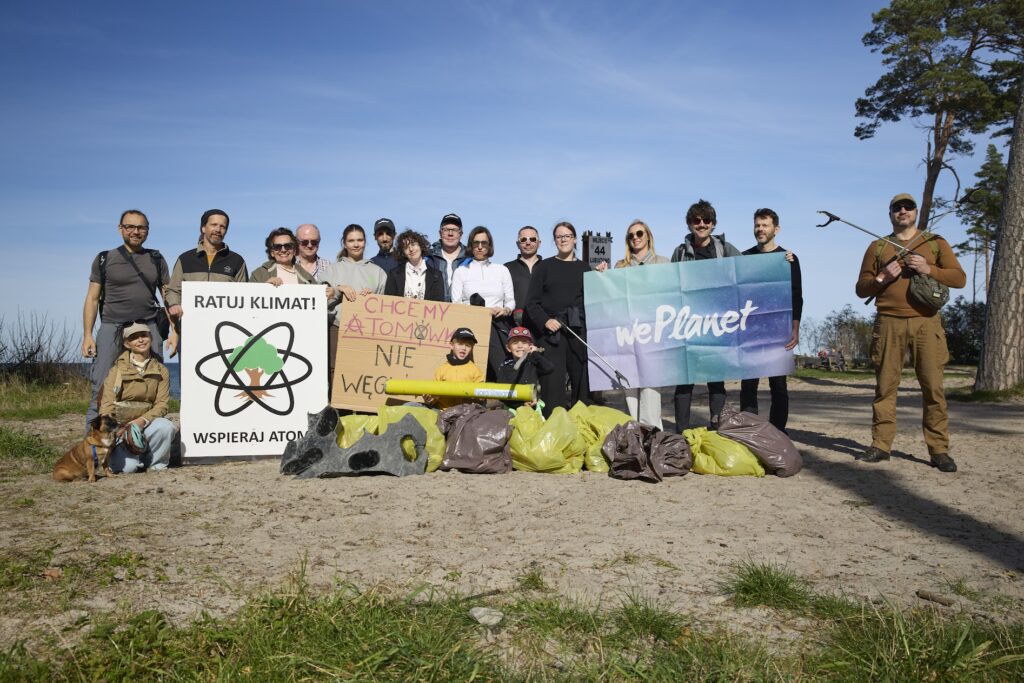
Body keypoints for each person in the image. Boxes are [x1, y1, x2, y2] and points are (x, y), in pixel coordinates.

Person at [855, 192, 966, 472]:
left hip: (927, 322)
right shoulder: (878, 247)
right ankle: (881, 446)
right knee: (885, 388)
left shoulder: (934, 243)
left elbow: (959, 278)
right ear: (890, 214)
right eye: (896, 208)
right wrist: (883, 277)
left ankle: (939, 450)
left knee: (933, 389)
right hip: (888, 321)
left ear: (915, 212)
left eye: (908, 207)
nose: (902, 211)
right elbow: (861, 289)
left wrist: (928, 268)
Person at [81, 209, 175, 429]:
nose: (135, 231)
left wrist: (174, 331)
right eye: (130, 227)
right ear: (120, 228)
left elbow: (168, 297)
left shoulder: (156, 258)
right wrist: (87, 335)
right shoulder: (105, 258)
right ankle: (93, 445)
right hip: (112, 325)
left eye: (141, 227)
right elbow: (92, 298)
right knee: (102, 384)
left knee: (153, 382)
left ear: (147, 230)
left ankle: (146, 440)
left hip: (148, 324)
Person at [670, 199, 741, 431]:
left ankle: (716, 426)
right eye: (696, 220)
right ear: (689, 224)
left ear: (713, 223)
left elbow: (752, 269)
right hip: (687, 324)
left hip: (716, 324)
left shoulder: (725, 249)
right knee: (684, 381)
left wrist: (782, 260)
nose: (701, 224)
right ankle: (681, 430)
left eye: (706, 220)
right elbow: (669, 286)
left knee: (716, 381)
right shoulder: (680, 252)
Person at [739, 208, 803, 432]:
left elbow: (796, 295)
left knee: (778, 384)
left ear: (776, 229)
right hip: (751, 330)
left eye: (765, 225)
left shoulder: (788, 259)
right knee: (749, 384)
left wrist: (795, 326)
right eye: (757, 225)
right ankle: (749, 430)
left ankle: (778, 431)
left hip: (778, 329)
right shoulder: (744, 258)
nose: (760, 229)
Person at [525, 221, 592, 417]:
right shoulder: (544, 267)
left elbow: (593, 298)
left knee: (581, 380)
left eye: (567, 236)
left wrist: (601, 276)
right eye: (559, 237)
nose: (563, 240)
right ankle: (553, 424)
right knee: (552, 383)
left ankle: (581, 423)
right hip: (551, 332)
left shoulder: (585, 268)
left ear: (574, 239)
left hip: (577, 330)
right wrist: (545, 321)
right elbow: (532, 303)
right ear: (555, 241)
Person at [98, 322, 177, 473]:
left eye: (144, 335)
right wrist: (116, 430)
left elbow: (162, 405)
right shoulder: (116, 370)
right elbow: (106, 405)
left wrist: (141, 421)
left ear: (150, 338)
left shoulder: (162, 371)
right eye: (134, 337)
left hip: (147, 424)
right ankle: (132, 459)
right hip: (121, 430)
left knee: (166, 427)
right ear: (127, 344)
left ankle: (156, 464)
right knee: (128, 469)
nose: (140, 340)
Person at [613, 220, 669, 429]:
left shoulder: (663, 263)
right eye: (631, 235)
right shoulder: (620, 266)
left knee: (651, 388)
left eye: (639, 233)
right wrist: (602, 275)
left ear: (648, 236)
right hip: (628, 333)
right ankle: (634, 432)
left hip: (654, 334)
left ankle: (653, 432)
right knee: (630, 386)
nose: (635, 237)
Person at [320, 224, 387, 391]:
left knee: (364, 371)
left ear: (365, 242)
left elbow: (386, 304)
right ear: (344, 243)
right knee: (336, 370)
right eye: (351, 241)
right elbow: (318, 299)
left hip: (367, 331)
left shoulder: (377, 272)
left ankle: (363, 413)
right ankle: (337, 413)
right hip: (338, 327)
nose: (356, 244)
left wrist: (373, 300)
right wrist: (338, 290)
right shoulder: (332, 270)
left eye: (360, 240)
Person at [451, 226, 516, 381]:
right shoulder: (461, 271)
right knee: (472, 369)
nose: (480, 247)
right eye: (476, 243)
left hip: (497, 325)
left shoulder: (501, 270)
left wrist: (505, 310)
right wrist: (475, 313)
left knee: (499, 366)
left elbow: (511, 300)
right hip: (471, 326)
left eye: (484, 243)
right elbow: (456, 302)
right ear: (471, 245)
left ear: (490, 246)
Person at [165, 209, 249, 324]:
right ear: (203, 228)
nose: (218, 230)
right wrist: (174, 304)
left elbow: (244, 295)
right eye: (214, 225)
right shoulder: (185, 259)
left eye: (223, 226)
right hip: (191, 325)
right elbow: (173, 290)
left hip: (225, 327)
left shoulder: (237, 261)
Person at [495, 326, 554, 408]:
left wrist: (534, 353)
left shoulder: (532, 363)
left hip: (533, 406)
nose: (520, 346)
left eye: (524, 342)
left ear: (530, 346)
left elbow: (549, 368)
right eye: (515, 343)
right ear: (508, 348)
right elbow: (501, 392)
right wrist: (520, 404)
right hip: (511, 409)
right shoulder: (505, 366)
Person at [429, 327, 485, 410]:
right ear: (451, 345)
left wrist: (475, 397)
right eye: (460, 344)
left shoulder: (476, 371)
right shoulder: (442, 369)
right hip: (443, 413)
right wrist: (430, 399)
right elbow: (433, 397)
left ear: (472, 348)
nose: (464, 348)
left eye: (468, 345)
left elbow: (481, 397)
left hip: (465, 415)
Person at [384, 230, 445, 301]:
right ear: (403, 253)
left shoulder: (436, 275)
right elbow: (389, 302)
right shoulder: (394, 274)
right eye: (406, 247)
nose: (411, 249)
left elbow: (438, 305)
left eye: (413, 244)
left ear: (421, 246)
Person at [504, 225, 543, 327]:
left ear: (539, 243)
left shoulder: (548, 267)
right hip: (514, 329)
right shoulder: (506, 268)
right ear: (517, 244)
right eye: (523, 239)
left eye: (533, 239)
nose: (528, 242)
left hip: (543, 328)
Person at [250, 228, 320, 285]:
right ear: (272, 252)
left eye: (288, 246)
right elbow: (248, 298)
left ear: (294, 250)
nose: (283, 250)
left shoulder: (308, 278)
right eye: (277, 247)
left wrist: (329, 295)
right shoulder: (258, 274)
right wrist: (264, 287)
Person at [430, 213, 468, 301]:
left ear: (461, 234)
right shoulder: (427, 258)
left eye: (454, 230)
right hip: (433, 311)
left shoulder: (471, 258)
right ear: (440, 233)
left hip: (462, 311)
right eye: (446, 230)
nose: (450, 234)